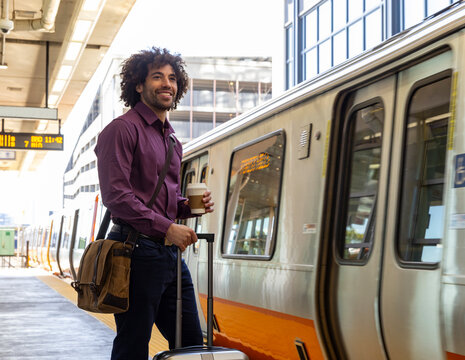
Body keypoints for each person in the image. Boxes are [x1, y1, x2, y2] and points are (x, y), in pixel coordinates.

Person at [94, 47, 214, 360]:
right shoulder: (121, 130)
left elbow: (165, 199)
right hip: (135, 252)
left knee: (191, 344)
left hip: (169, 255)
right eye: (157, 76)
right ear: (138, 84)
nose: (167, 84)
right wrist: (167, 227)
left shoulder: (173, 140)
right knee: (134, 344)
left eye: (172, 78)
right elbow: (117, 197)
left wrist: (187, 207)